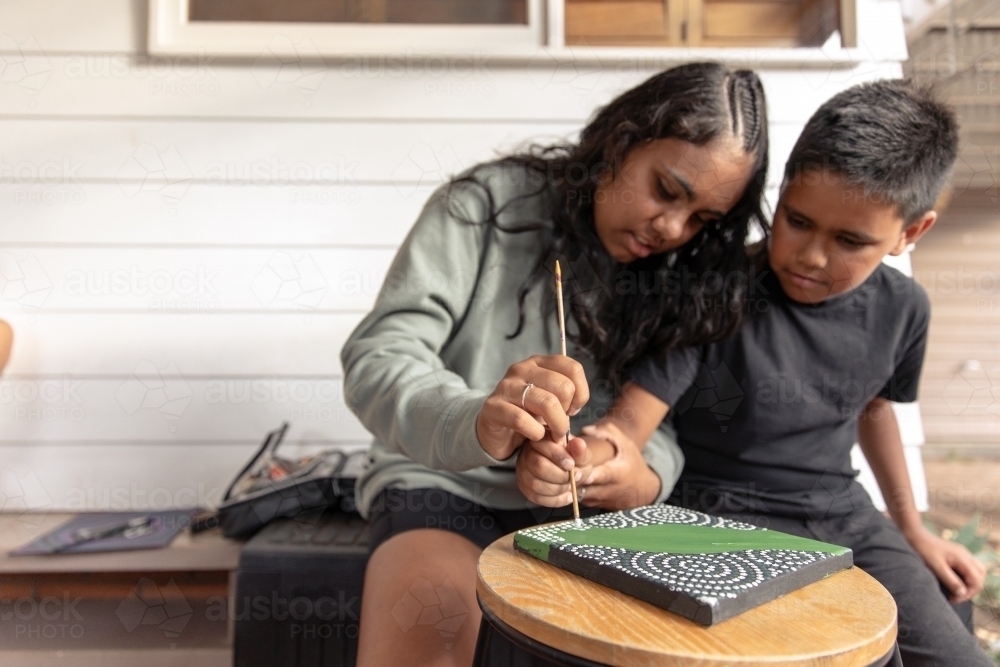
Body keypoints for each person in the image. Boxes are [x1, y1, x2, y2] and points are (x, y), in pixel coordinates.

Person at [518, 79, 990, 666]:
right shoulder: (716, 290)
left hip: (840, 514)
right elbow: (634, 418)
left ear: (909, 234)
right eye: (796, 220)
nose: (810, 255)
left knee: (953, 658)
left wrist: (912, 528)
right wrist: (602, 451)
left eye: (848, 240)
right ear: (782, 189)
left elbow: (874, 408)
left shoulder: (904, 309)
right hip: (715, 517)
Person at [341, 62, 769, 666]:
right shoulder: (484, 207)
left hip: (587, 512)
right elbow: (379, 357)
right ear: (621, 141)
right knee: (429, 644)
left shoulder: (682, 272)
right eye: (667, 190)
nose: (673, 227)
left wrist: (635, 473)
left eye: (701, 219)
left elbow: (660, 423)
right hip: (441, 488)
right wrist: (476, 422)